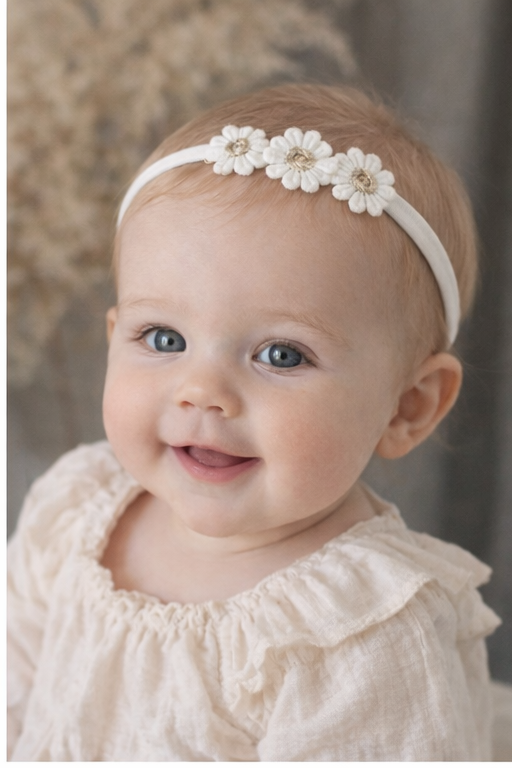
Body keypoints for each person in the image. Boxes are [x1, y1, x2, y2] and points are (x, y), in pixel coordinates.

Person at [7, 84, 501, 761]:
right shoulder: (74, 507)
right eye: (164, 338)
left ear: (407, 405)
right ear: (115, 333)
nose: (203, 392)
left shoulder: (360, 634)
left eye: (281, 354)